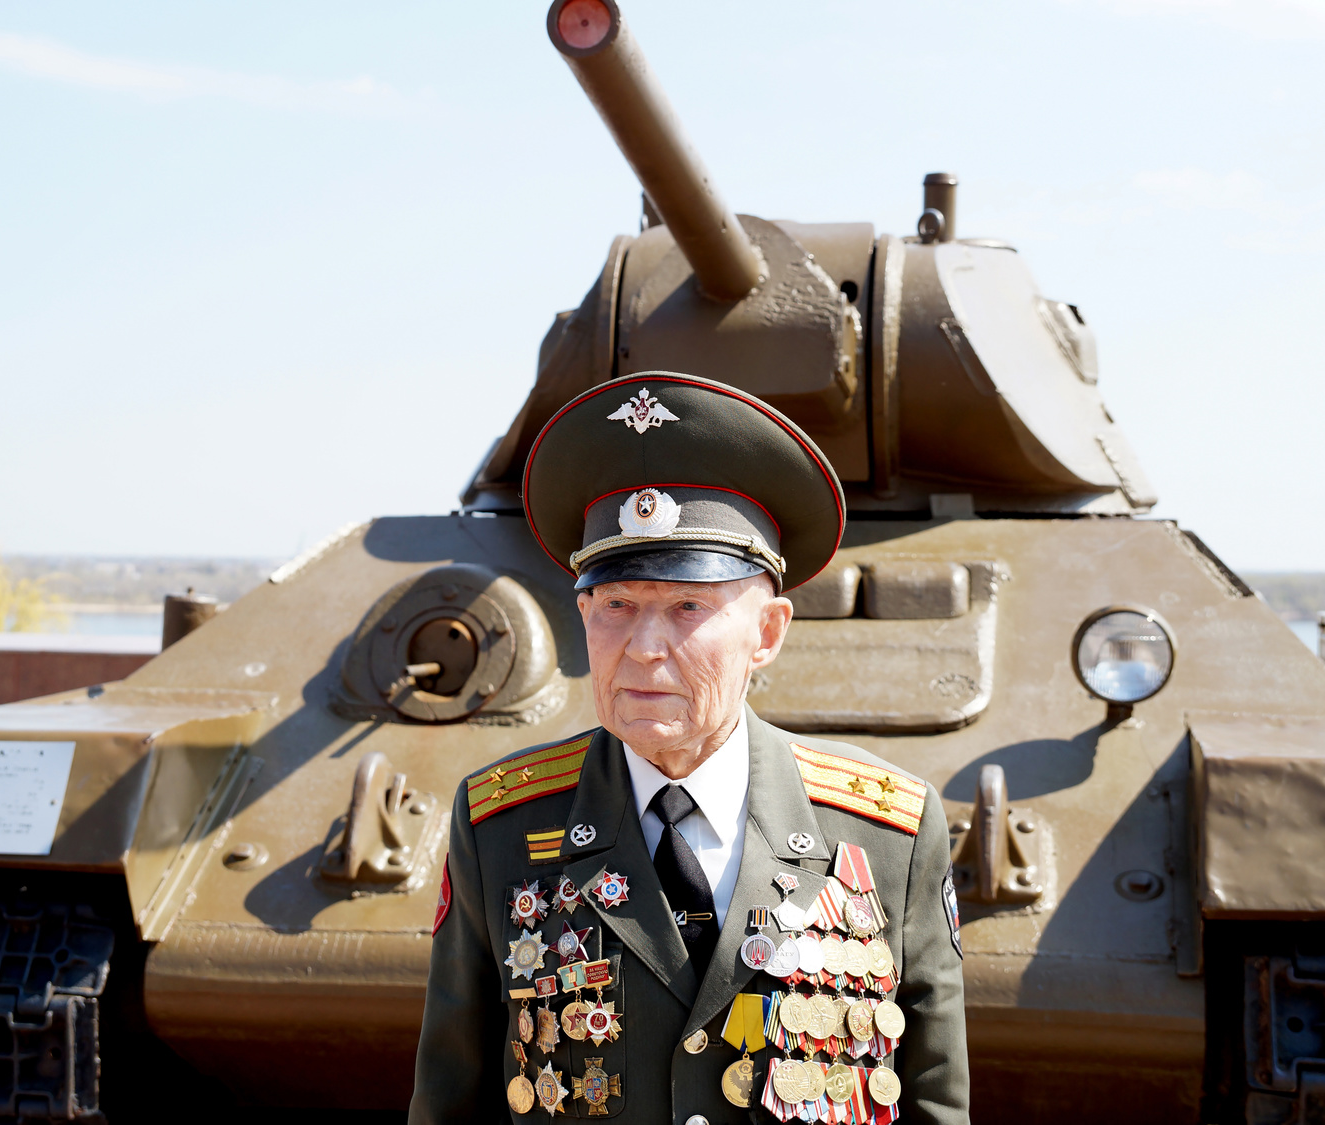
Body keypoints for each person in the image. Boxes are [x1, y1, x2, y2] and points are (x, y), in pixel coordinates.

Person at [409, 372, 969, 1125]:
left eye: (686, 605)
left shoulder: (887, 831)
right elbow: (451, 1096)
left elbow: (934, 1097)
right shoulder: (500, 825)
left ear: (766, 632)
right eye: (616, 604)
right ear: (583, 616)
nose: (644, 647)